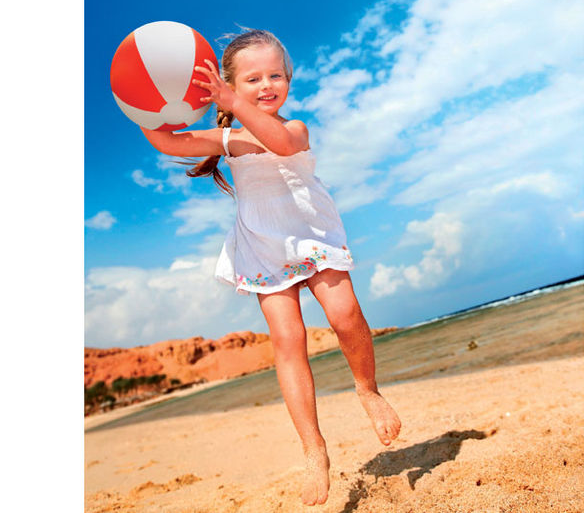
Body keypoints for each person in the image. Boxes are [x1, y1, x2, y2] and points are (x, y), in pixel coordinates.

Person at [141, 29, 401, 506]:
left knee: (345, 315)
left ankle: (368, 389)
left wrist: (234, 106)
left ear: (289, 79)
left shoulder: (295, 127)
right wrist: (143, 98)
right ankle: (313, 449)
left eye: (275, 75)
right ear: (229, 85)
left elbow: (279, 143)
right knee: (289, 341)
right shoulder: (227, 139)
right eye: (252, 78)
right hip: (262, 245)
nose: (266, 85)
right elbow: (166, 142)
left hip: (312, 234)